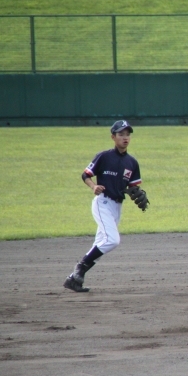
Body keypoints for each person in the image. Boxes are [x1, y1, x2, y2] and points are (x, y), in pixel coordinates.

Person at [63, 120, 142, 292]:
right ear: (113, 137)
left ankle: (73, 280)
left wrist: (137, 193)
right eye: (121, 134)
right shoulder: (104, 157)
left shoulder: (132, 162)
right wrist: (93, 186)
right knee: (112, 240)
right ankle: (81, 267)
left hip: (117, 208)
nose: (125, 138)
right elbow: (85, 175)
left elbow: (133, 187)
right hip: (103, 203)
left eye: (127, 134)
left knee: (100, 244)